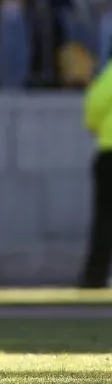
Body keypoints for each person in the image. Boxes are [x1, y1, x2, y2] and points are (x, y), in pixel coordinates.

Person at [80, 59, 112, 288]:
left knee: (104, 219)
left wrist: (95, 126)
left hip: (109, 151)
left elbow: (95, 103)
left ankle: (95, 276)